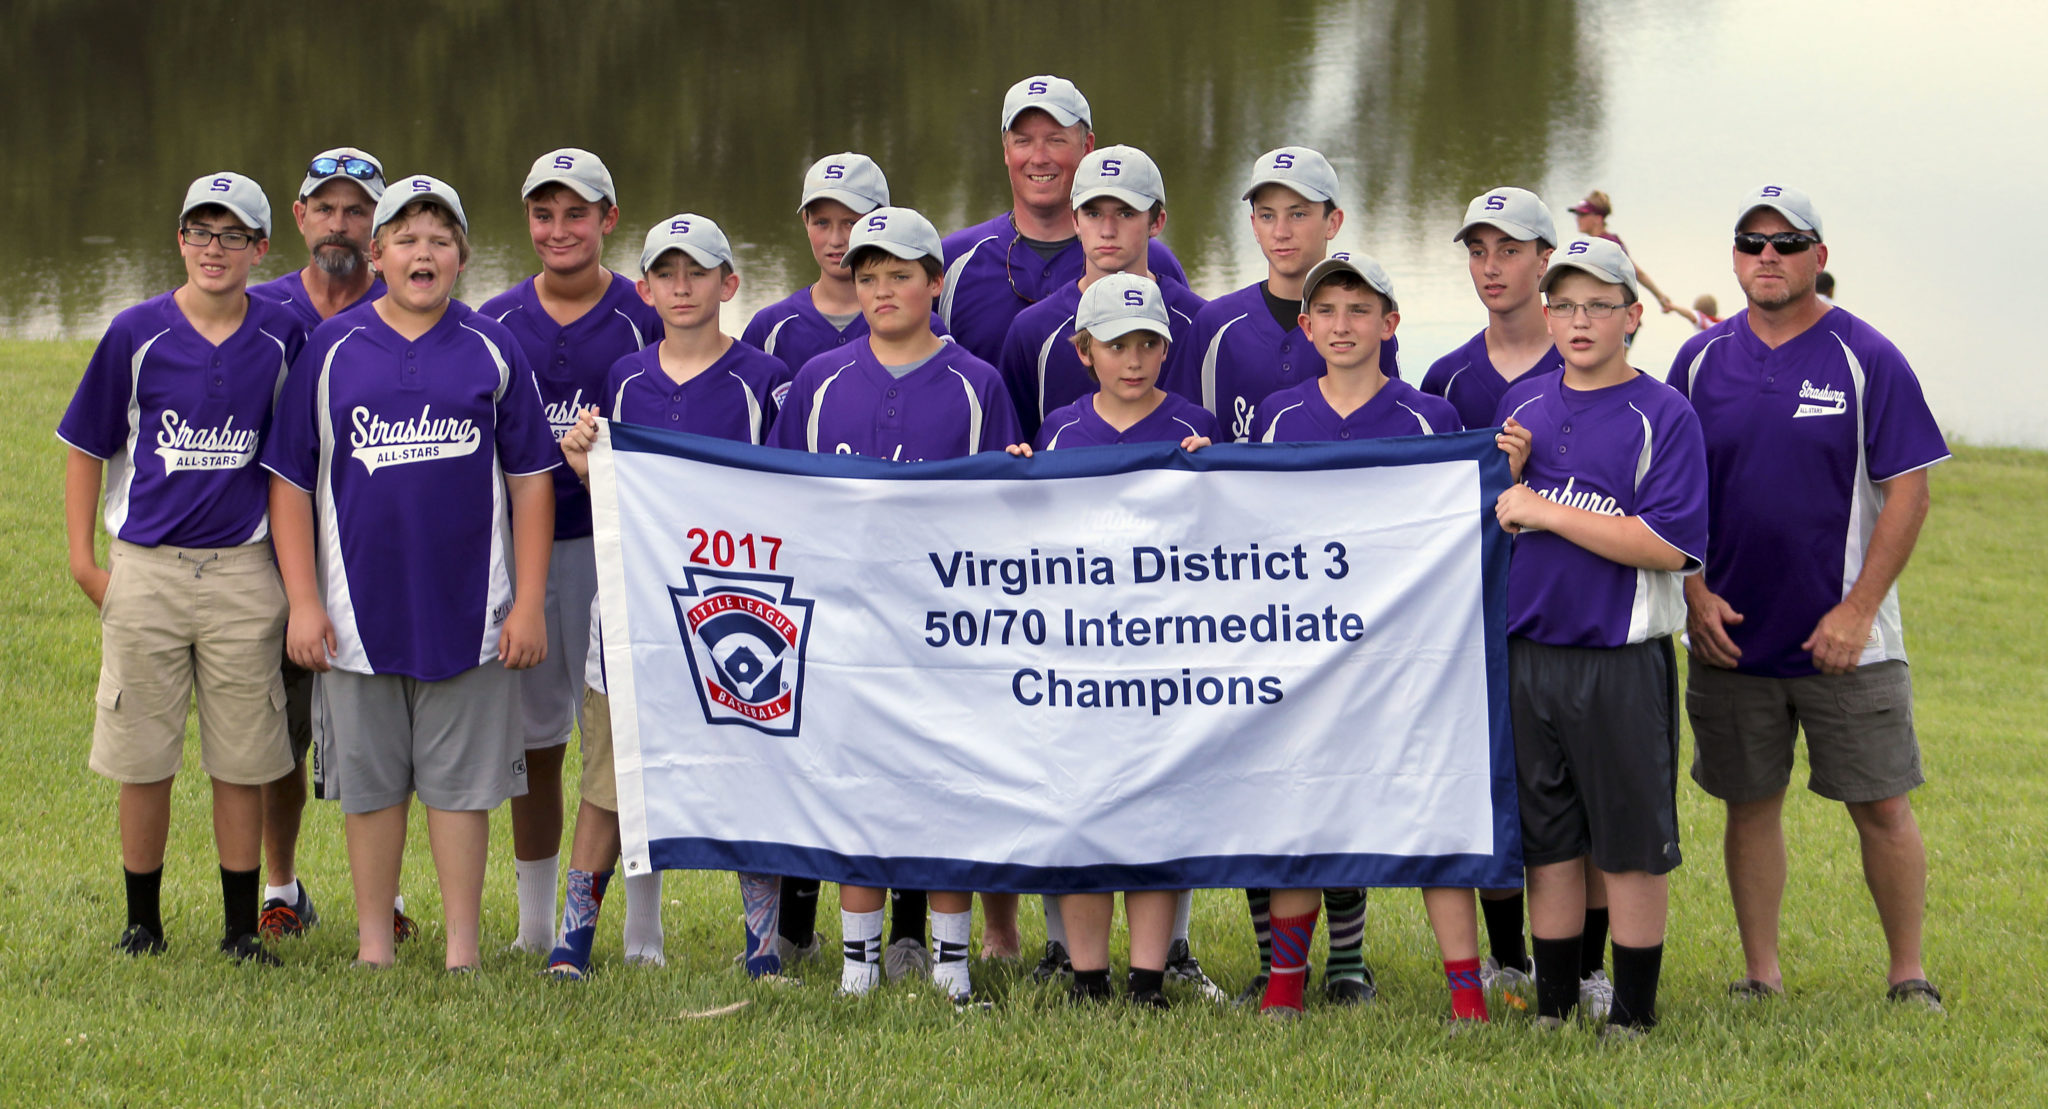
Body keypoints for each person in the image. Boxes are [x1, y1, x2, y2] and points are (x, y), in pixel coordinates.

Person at [263, 176, 558, 970]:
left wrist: (528, 600)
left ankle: (462, 947)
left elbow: (531, 481)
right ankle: (372, 946)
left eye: (439, 238)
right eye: (405, 237)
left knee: (462, 791)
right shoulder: (331, 351)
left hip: (472, 612)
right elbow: (290, 483)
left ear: (462, 256)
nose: (421, 251)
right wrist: (301, 601)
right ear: (378, 252)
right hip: (357, 612)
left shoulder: (494, 348)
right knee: (371, 785)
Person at [1668, 186, 1948, 1012]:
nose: (1768, 256)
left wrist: (1858, 610)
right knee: (1749, 808)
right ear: (1732, 257)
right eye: (1752, 243)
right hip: (1730, 633)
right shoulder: (1698, 360)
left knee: (1883, 806)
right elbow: (1669, 488)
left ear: (1819, 258)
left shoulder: (1869, 357)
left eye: (1788, 243)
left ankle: (1909, 975)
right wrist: (1692, 594)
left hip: (1846, 640)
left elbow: (1909, 493)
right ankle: (1761, 974)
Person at [771, 206, 1023, 1003]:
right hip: (845, 624)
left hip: (945, 629)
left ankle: (951, 963)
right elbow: (776, 499)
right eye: (869, 275)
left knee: (944, 787)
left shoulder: (977, 383)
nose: (882, 290)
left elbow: (1003, 514)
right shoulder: (820, 382)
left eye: (900, 275)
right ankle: (858, 965)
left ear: (934, 282)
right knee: (855, 789)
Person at [60, 172, 303, 966]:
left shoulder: (280, 337)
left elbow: (296, 462)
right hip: (149, 568)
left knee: (243, 755)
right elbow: (88, 445)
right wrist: (86, 564)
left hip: (242, 570)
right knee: (144, 754)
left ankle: (239, 928)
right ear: (179, 240)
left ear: (261, 248)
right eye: (201, 232)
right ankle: (144, 921)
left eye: (233, 235)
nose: (214, 248)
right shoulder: (137, 332)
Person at [1246, 252, 1490, 1022]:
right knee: (1298, 810)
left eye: (1361, 310)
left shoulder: (1430, 418)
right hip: (1310, 651)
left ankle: (1466, 993)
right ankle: (1286, 985)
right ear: (1307, 325)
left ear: (1390, 323)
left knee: (1432, 809)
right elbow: (1244, 526)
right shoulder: (1280, 416)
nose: (1343, 324)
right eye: (1329, 311)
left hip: (1409, 654)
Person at [546, 214, 791, 979]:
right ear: (645, 287)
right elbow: (615, 494)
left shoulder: (764, 380)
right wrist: (585, 467)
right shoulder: (623, 377)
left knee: (747, 766)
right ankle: (573, 937)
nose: (683, 287)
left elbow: (787, 497)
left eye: (699, 271)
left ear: (730, 282)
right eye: (666, 273)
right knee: (610, 776)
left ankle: (762, 944)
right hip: (635, 608)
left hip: (736, 610)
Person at [1493, 236, 1709, 1036]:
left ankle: (1634, 1012)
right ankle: (1553, 1008)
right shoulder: (1524, 409)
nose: (1580, 320)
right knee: (1548, 846)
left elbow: (1671, 544)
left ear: (1633, 315)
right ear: (1546, 314)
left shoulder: (1663, 414)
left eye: (1599, 305)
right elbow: (1500, 530)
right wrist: (1512, 488)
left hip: (1618, 659)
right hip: (1531, 655)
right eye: (1565, 305)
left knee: (1628, 847)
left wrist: (1546, 508)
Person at [1003, 273, 1216, 1007]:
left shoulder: (1195, 426)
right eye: (1115, 344)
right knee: (1086, 811)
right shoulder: (1061, 429)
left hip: (1167, 657)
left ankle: (1150, 976)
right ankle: (1088, 974)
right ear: (1083, 349)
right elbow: (1033, 540)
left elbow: (1234, 545)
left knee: (1159, 814)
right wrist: (1014, 483)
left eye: (1147, 344)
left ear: (1166, 348)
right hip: (1081, 656)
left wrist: (1213, 474)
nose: (1133, 359)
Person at [477, 149, 666, 963]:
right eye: (544, 213)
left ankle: (641, 927)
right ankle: (532, 924)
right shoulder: (495, 320)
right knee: (535, 741)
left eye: (577, 213)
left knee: (628, 738)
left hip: (617, 547)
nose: (559, 229)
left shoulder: (643, 314)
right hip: (527, 553)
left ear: (608, 220)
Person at [248, 147, 404, 944]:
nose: (340, 223)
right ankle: (281, 886)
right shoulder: (261, 309)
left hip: (378, 560)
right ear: (300, 216)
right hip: (275, 559)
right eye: (326, 207)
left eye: (358, 209)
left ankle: (395, 895)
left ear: (380, 226)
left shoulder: (415, 300)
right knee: (279, 730)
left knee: (391, 727)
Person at [1419, 186, 1566, 1006]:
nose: (1491, 267)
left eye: (1509, 250)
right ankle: (1507, 957)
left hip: (1560, 611)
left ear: (1547, 259)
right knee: (1488, 789)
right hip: (1469, 616)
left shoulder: (1583, 360)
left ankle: (1579, 963)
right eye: (1478, 251)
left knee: (1563, 799)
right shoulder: (1447, 378)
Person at [937, 74, 1188, 369]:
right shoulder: (953, 262)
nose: (1039, 158)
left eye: (1056, 140)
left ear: (1087, 146)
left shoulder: (1148, 259)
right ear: (1006, 150)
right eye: (1023, 141)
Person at [1168, 146, 1399, 444]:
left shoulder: (1361, 327)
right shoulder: (1215, 325)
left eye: (1298, 214)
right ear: (1253, 225)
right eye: (1267, 215)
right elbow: (1177, 427)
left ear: (1333, 222)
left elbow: (1394, 426)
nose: (1280, 231)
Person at [996, 144, 1206, 441]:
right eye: (1093, 213)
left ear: (1156, 222)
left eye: (1125, 213)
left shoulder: (1200, 323)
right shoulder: (1033, 330)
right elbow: (1016, 448)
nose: (1107, 230)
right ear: (1075, 221)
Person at [743, 152, 943, 379]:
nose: (836, 239)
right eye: (822, 223)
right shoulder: (769, 328)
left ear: (881, 220)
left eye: (850, 222)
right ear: (805, 222)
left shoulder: (920, 324)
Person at [1567, 190, 1679, 317]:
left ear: (1598, 218)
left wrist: (1660, 297)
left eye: (1583, 215)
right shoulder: (1590, 244)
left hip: (1616, 314)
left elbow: (1634, 272)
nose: (1578, 219)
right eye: (1577, 214)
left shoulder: (1609, 244)